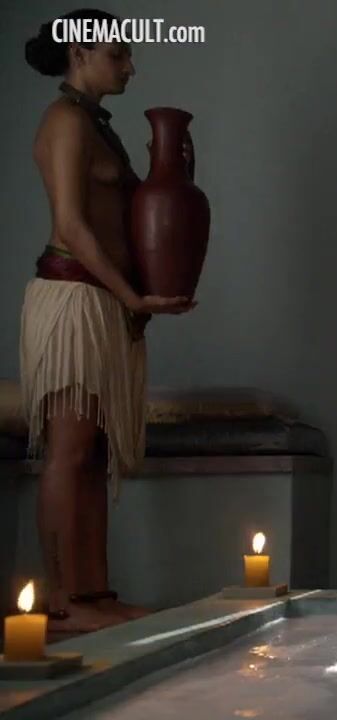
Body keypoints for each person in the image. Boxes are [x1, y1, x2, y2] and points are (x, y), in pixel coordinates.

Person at [21, 9, 196, 632]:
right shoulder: (65, 121)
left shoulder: (97, 125)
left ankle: (94, 595)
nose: (130, 66)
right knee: (69, 451)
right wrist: (132, 298)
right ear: (80, 54)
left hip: (102, 301)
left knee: (93, 453)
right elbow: (71, 225)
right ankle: (64, 603)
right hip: (73, 299)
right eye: (118, 54)